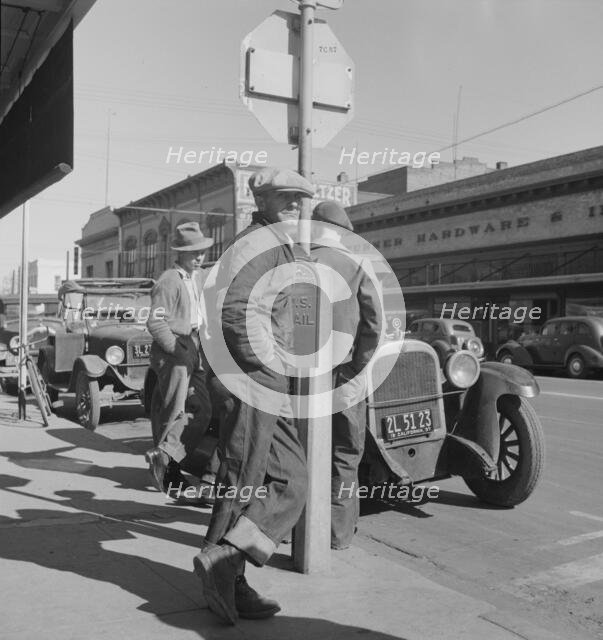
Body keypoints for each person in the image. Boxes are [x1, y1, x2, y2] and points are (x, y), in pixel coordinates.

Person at [193, 167, 313, 624]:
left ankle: (226, 561)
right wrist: (266, 366)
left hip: (264, 379)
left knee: (291, 480)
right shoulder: (258, 244)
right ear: (260, 201)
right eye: (283, 197)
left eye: (299, 199)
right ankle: (226, 575)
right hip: (251, 378)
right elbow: (238, 310)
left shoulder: (275, 242)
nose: (293, 205)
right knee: (241, 477)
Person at [310, 201, 382, 550]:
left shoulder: (297, 262)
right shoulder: (357, 264)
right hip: (345, 375)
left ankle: (302, 531)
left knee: (305, 451)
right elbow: (374, 323)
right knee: (345, 453)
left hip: (303, 378)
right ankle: (338, 534)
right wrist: (358, 366)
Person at [145, 221, 214, 502]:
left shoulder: (194, 277)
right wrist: (177, 349)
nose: (199, 257)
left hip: (192, 345)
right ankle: (169, 473)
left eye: (202, 252)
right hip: (175, 349)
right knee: (174, 410)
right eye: (193, 253)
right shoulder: (169, 280)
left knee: (203, 409)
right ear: (181, 253)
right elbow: (155, 321)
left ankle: (164, 455)